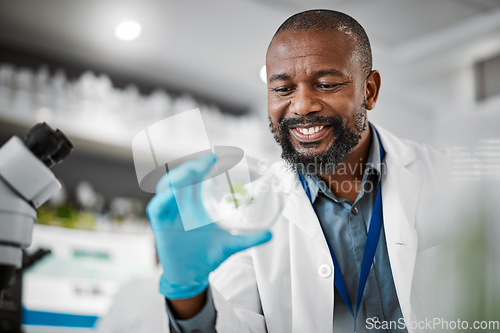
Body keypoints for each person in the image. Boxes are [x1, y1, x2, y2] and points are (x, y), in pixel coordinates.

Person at [146, 9, 454, 333]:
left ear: (370, 90)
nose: (302, 105)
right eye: (282, 90)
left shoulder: (446, 178)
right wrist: (188, 292)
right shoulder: (250, 211)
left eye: (326, 84)